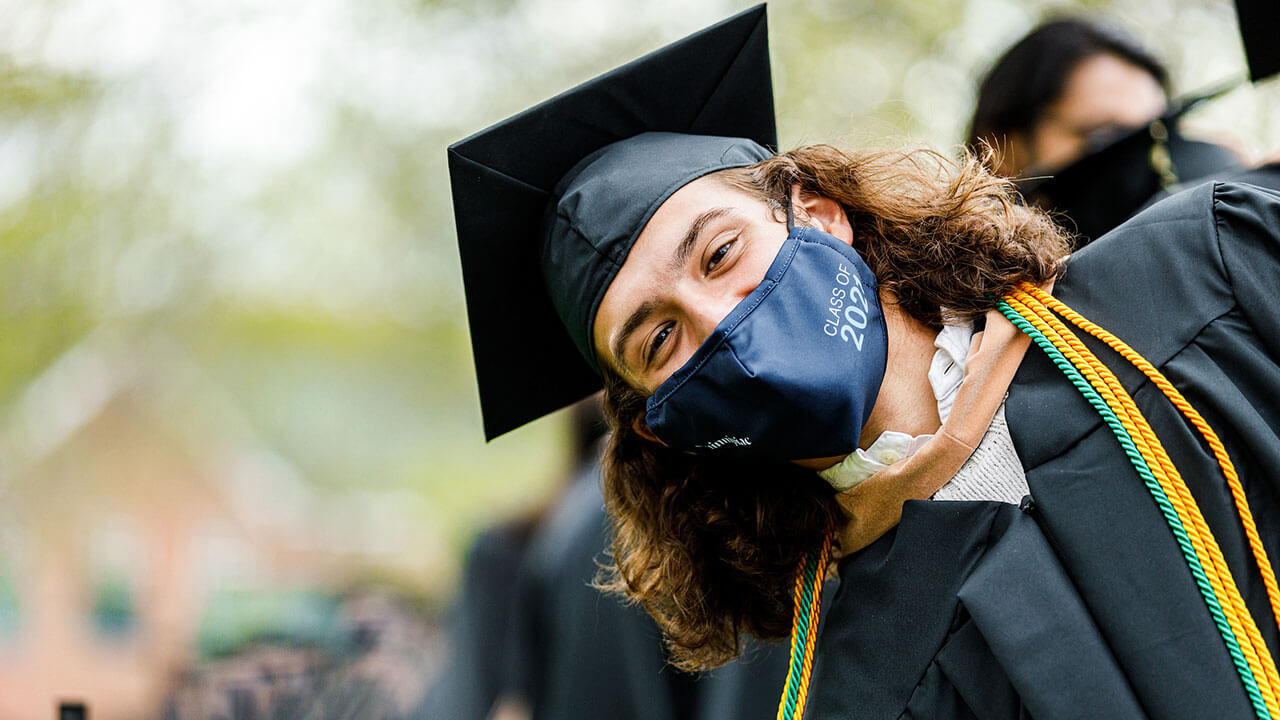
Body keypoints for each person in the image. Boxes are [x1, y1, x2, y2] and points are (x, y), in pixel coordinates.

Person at [449, 7, 1280, 720]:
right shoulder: (845, 681)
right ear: (662, 427)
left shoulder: (1200, 274)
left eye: (719, 254)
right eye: (659, 340)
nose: (721, 323)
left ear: (819, 214)